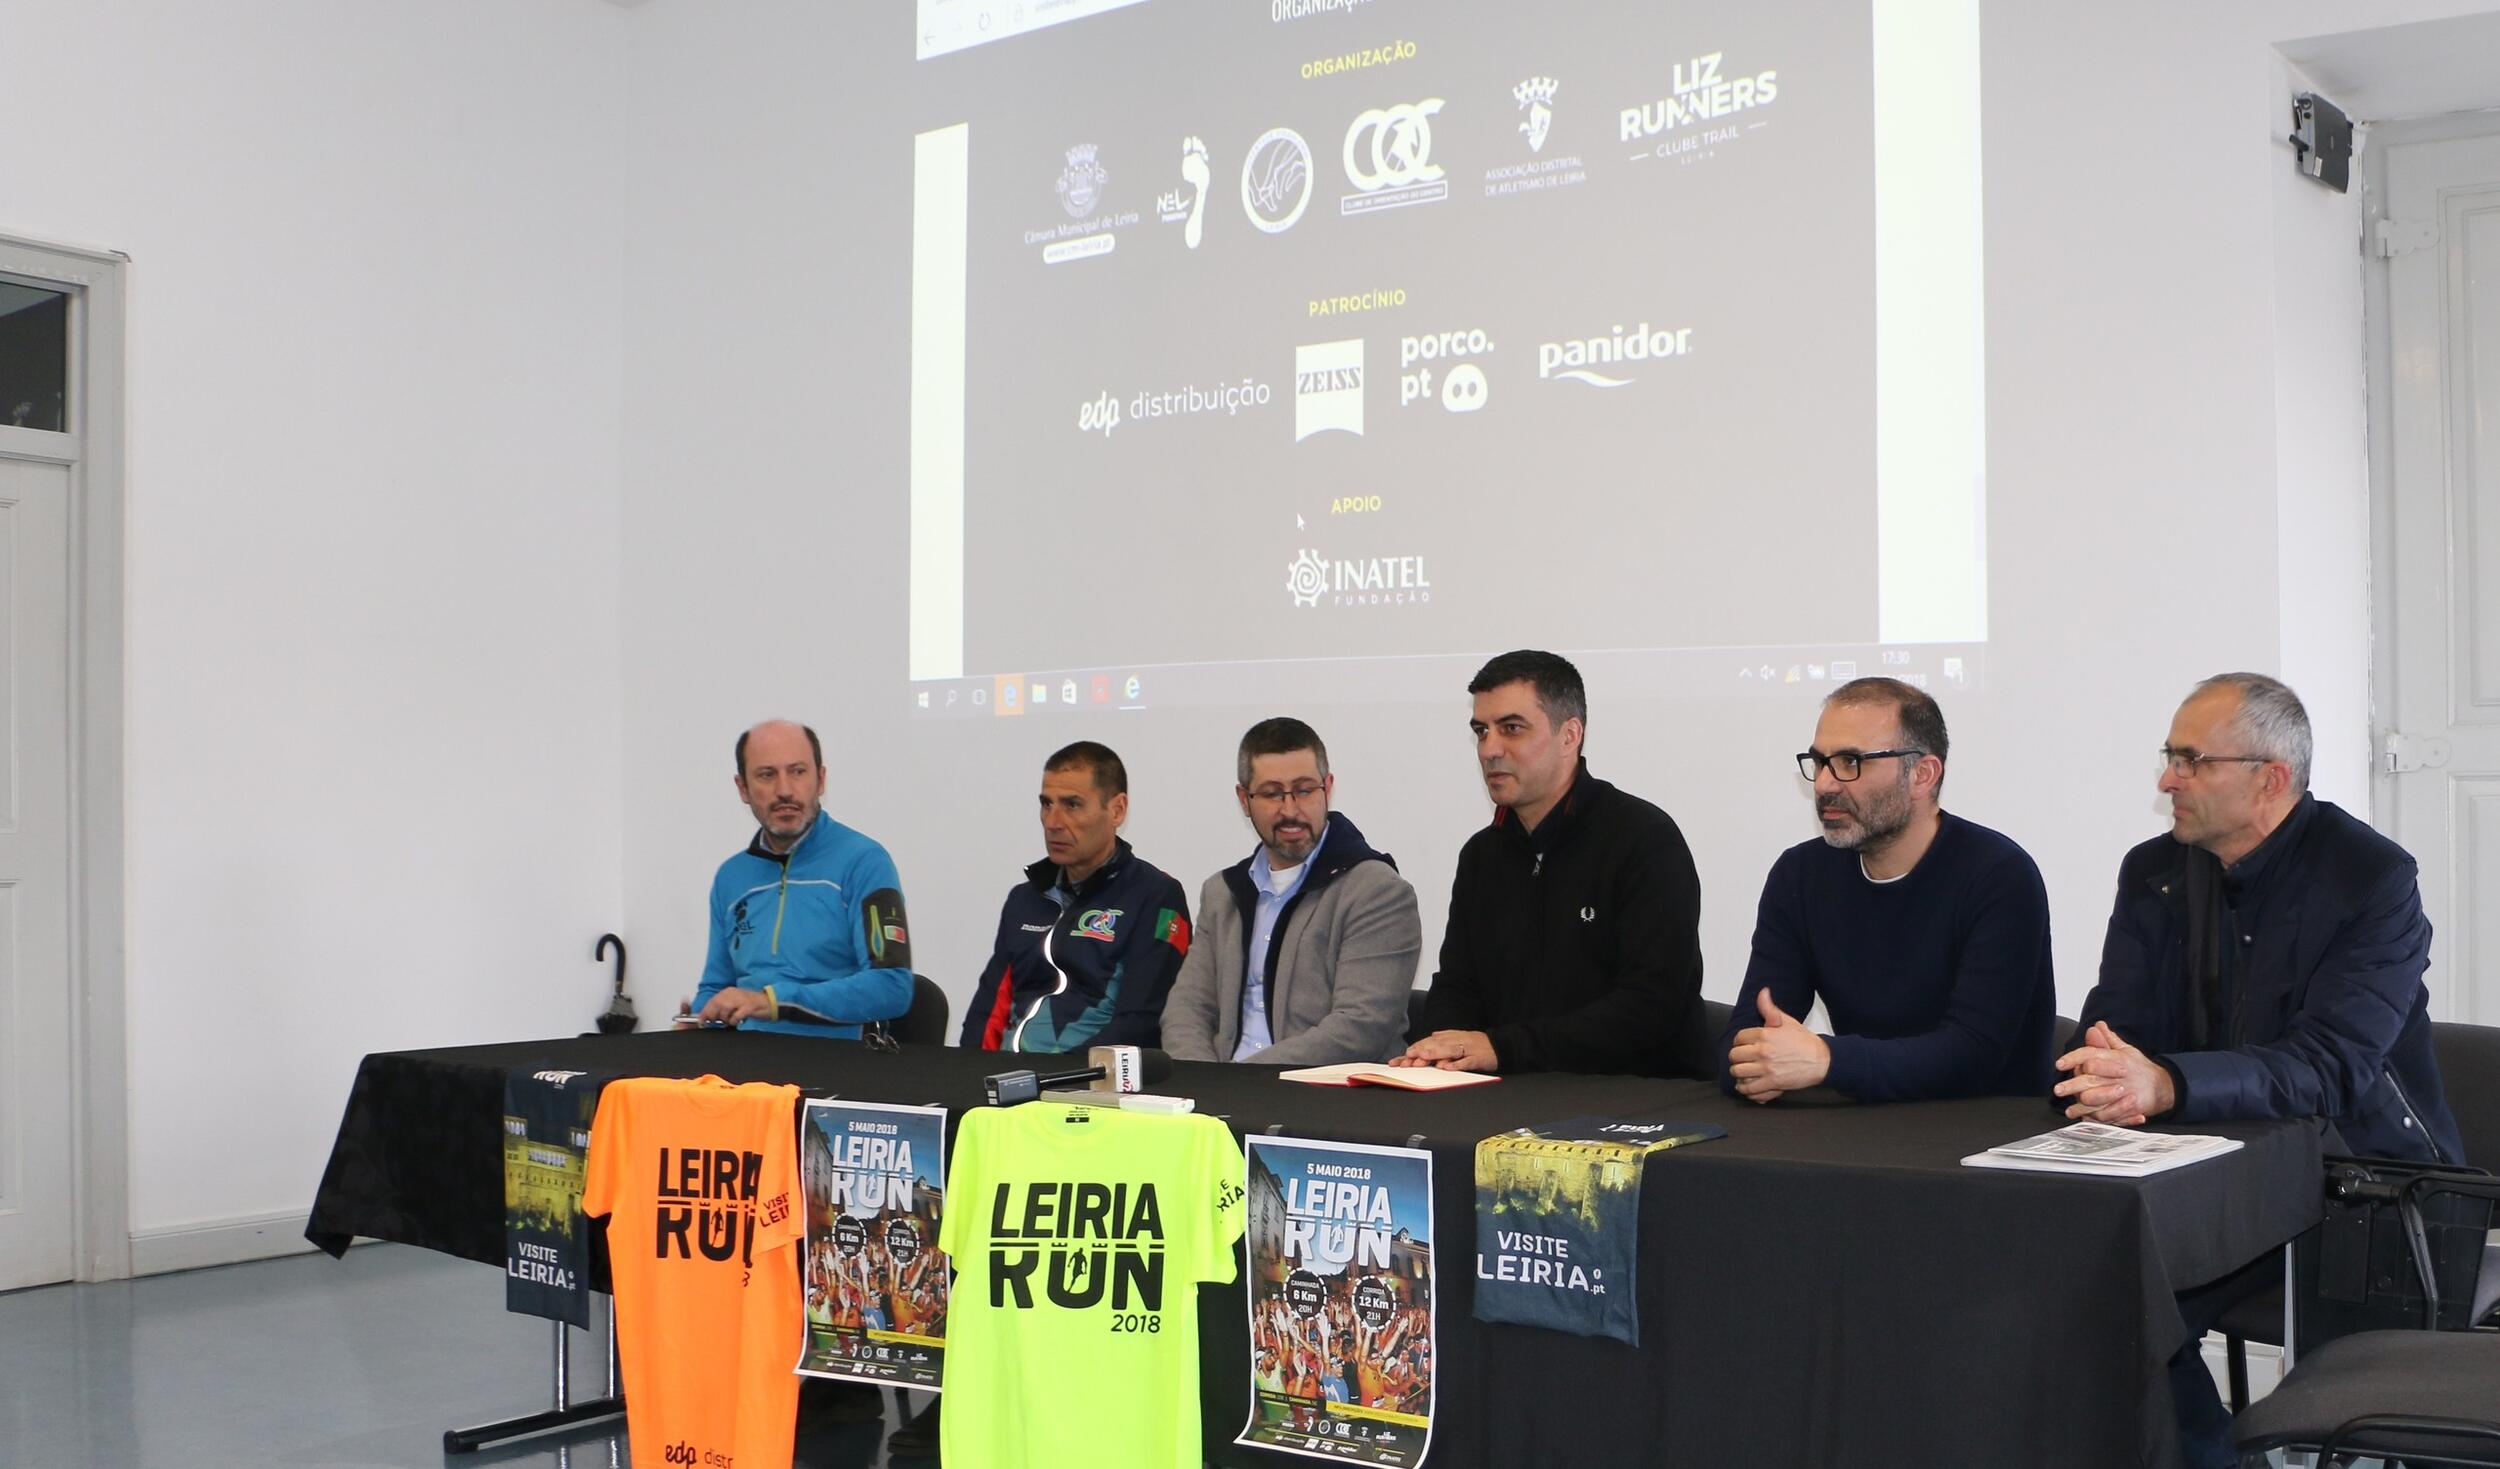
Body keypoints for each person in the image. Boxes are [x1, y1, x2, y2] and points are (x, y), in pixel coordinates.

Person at [2055, 672, 2462, 1469]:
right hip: (2206, 1180)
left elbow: (2330, 1067)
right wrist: (2103, 1068)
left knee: (2136, 1310)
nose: (2166, 780)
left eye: (2190, 760)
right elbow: (2118, 1022)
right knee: (2091, 1298)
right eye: (2169, 756)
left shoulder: (2371, 878)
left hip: (2366, 1188)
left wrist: (2168, 1082)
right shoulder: (2154, 872)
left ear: (2270, 779)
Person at [1720, 677, 2055, 1102]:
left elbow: (1974, 1055)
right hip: (1861, 1124)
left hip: (1986, 1128)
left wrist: (1828, 1060)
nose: (1824, 784)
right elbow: (1742, 1043)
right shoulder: (1800, 875)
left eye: (1850, 762)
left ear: (1922, 775)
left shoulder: (1999, 875)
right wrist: (1756, 1062)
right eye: (1820, 762)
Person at [1395, 650, 1709, 1076]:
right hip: (1504, 1094)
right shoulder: (1481, 856)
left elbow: (1650, 1008)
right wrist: (1442, 1049)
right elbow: (1458, 986)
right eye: (1481, 731)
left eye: (1511, 728)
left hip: (1636, 1095)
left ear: (1569, 735)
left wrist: (1501, 1048)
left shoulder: (1644, 840)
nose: (1489, 750)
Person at [1162, 717, 1422, 1065]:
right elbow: (1187, 1009)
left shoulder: (1378, 892)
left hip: (1320, 1090)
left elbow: (1360, 1027)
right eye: (1272, 794)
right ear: (1244, 800)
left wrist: (1240, 1082)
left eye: (1304, 790)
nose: (1289, 810)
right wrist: (1201, 1080)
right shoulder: (1222, 893)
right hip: (1221, 1085)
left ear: (1327, 788)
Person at [959, 740, 1193, 1053]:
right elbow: (986, 1012)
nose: (1053, 822)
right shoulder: (1023, 899)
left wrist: (1060, 1075)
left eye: (1072, 805)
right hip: (1006, 1075)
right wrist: (969, 1072)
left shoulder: (1156, 896)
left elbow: (1140, 1023)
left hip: (1086, 1077)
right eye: (1046, 804)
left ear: (1117, 810)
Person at [685, 719, 912, 1037]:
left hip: (835, 1062)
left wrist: (772, 1002)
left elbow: (891, 987)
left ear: (821, 780)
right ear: (743, 788)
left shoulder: (864, 862)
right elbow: (716, 987)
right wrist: (698, 1019)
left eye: (798, 772)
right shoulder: (731, 877)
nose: (785, 790)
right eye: (767, 775)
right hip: (744, 1063)